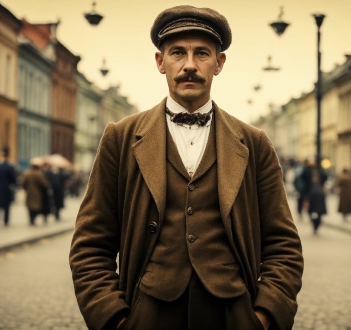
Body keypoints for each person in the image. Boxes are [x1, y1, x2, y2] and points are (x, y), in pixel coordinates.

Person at [69, 6, 303, 330]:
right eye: (178, 52)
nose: (189, 65)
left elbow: (283, 245)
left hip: (232, 316)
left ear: (219, 63)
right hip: (148, 316)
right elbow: (91, 244)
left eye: (202, 53)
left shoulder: (254, 144)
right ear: (160, 62)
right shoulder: (120, 139)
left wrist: (264, 317)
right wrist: (114, 319)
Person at [301, 158, 327, 234]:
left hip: (316, 193)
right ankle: (315, 223)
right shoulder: (308, 170)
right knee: (311, 209)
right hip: (311, 193)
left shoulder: (319, 171)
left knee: (318, 210)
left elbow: (325, 177)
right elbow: (302, 177)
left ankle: (316, 223)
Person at [22, 158, 50, 226]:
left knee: (30, 207)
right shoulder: (39, 174)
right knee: (36, 207)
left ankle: (31, 219)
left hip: (29, 193)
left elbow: (23, 183)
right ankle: (34, 218)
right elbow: (45, 184)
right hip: (37, 194)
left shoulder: (27, 174)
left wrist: (26, 189)